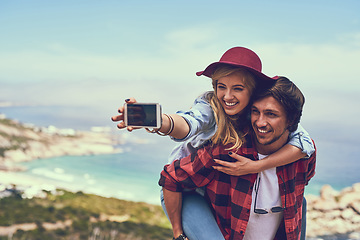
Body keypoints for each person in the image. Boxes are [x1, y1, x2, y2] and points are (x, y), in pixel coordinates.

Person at [111, 47, 314, 240]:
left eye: (238, 88)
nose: (227, 96)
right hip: (182, 187)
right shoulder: (211, 109)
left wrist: (257, 166)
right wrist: (159, 121)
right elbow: (188, 123)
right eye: (221, 87)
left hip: (212, 185)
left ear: (253, 92)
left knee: (298, 200)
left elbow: (305, 144)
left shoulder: (262, 119)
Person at [159, 77, 316, 240]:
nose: (260, 122)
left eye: (271, 114)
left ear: (291, 120)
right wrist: (178, 234)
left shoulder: (302, 155)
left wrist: (257, 167)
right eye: (256, 112)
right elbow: (171, 177)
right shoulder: (228, 151)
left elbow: (299, 192)